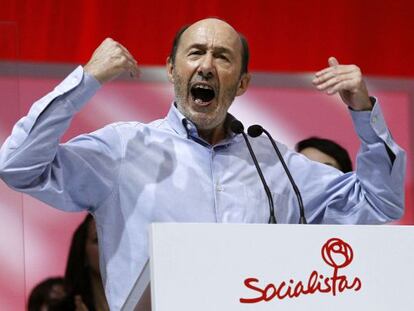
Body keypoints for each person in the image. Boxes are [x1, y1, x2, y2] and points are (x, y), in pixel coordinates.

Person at [0, 18, 405, 310]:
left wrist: (363, 112)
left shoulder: (275, 163)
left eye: (223, 56)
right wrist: (85, 80)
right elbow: (18, 165)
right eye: (195, 53)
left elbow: (378, 203)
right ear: (173, 69)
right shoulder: (123, 147)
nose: (207, 65)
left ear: (242, 83)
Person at [65, 214, 109, 311]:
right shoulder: (65, 307)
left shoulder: (144, 298)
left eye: (114, 239)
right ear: (84, 254)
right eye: (97, 240)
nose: (108, 247)